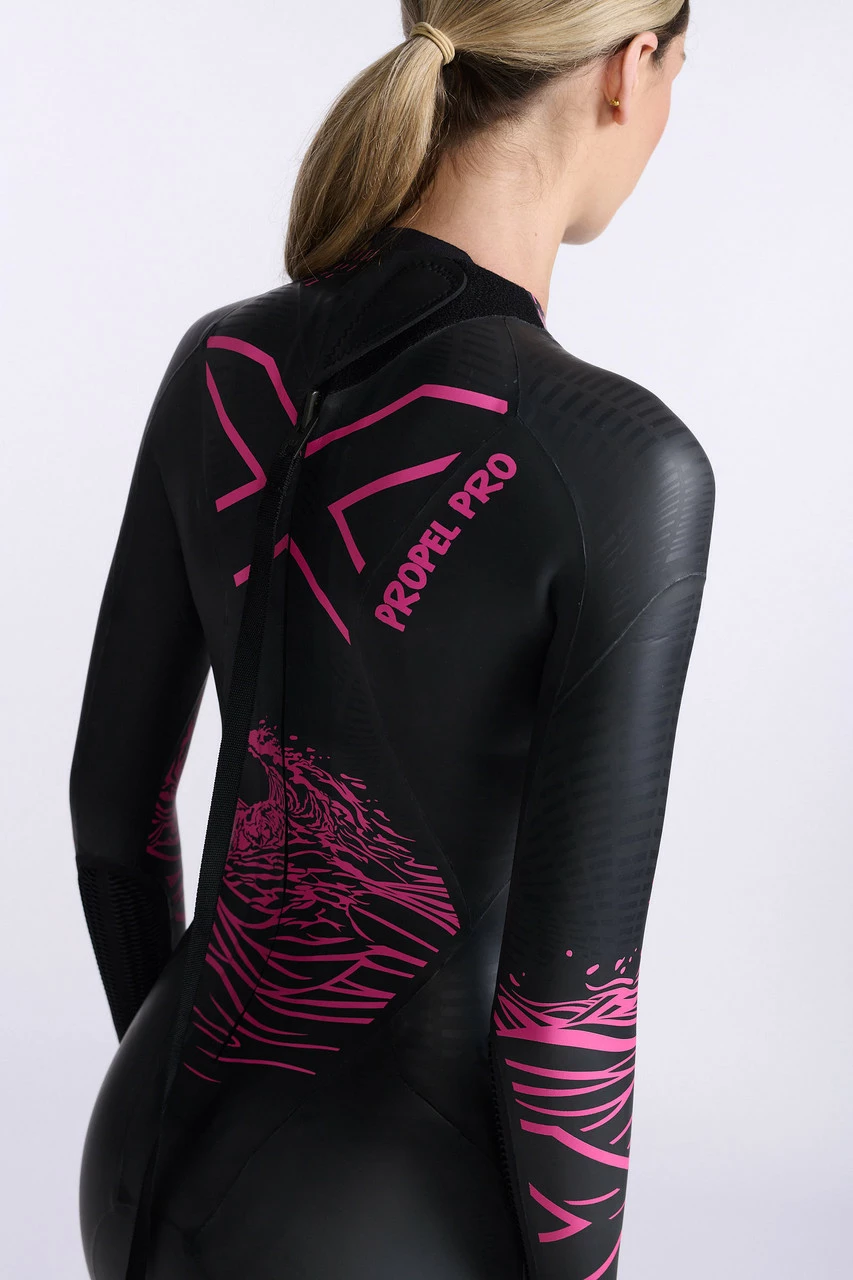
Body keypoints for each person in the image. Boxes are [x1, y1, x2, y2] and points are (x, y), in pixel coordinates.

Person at [69, 3, 713, 1278]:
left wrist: (189, 1075)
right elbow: (565, 1011)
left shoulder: (220, 360)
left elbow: (112, 815)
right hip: (398, 1220)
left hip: (142, 1153)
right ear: (629, 69)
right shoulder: (623, 464)